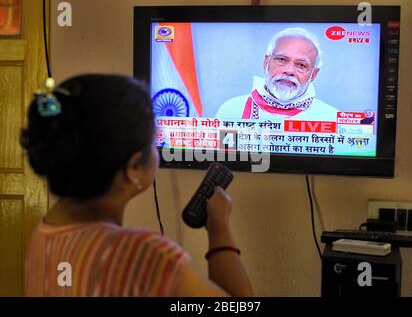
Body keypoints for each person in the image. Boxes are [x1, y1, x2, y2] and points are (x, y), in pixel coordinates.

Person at [21, 74, 253, 297]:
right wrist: (219, 225)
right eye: (153, 141)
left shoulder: (45, 232)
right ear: (133, 168)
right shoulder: (148, 253)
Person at [216, 28, 339, 120]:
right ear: (266, 62)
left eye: (301, 65)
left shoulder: (332, 118)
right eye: (282, 60)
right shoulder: (230, 110)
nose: (289, 70)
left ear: (313, 75)